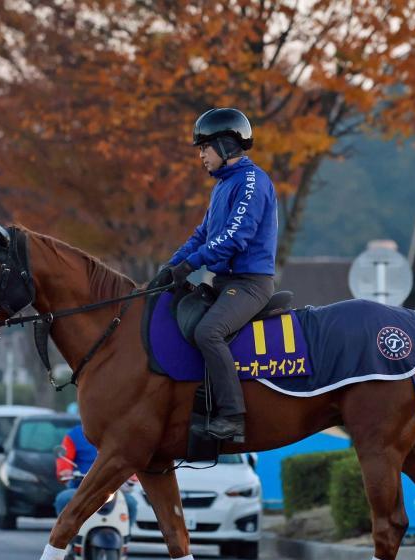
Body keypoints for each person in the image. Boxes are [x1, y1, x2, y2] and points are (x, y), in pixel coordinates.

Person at [153, 108, 279, 441]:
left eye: (204, 148)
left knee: (208, 331)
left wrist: (191, 265)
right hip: (225, 284)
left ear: (225, 146)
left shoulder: (252, 181)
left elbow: (236, 237)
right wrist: (170, 267)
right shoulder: (222, 186)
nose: (201, 156)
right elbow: (202, 234)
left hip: (250, 285)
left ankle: (233, 418)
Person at [53, 424, 138, 529]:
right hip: (80, 489)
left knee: (130, 503)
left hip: (112, 489)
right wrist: (65, 470)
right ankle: (63, 538)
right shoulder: (75, 434)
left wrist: (132, 475)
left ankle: (125, 537)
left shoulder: (120, 434)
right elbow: (64, 458)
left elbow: (130, 458)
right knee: (64, 499)